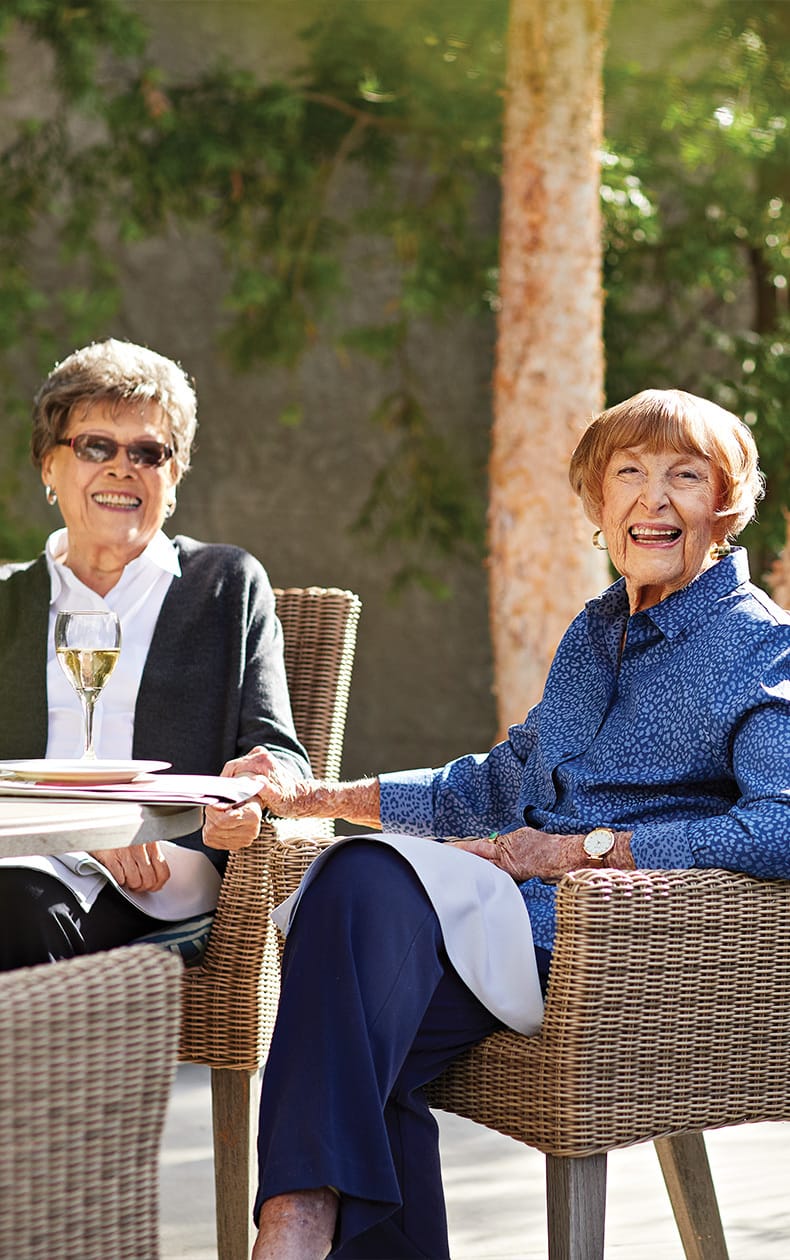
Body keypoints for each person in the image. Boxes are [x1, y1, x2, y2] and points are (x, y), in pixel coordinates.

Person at [204, 387, 790, 1260]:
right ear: (598, 503)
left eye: (684, 476)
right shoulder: (594, 634)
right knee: (362, 1032)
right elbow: (490, 783)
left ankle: (289, 1228)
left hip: (613, 955)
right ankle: (301, 1219)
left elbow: (778, 828)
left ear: (726, 507)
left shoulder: (758, 649)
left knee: (359, 891)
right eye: (627, 473)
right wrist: (312, 798)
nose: (652, 499)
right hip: (498, 927)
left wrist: (577, 851)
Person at [0, 338, 309, 969]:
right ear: (48, 467)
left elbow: (278, 754)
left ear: (172, 481)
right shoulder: (8, 601)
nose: (122, 468)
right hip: (21, 853)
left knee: (16, 912)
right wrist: (78, 838)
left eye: (148, 452)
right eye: (95, 447)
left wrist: (249, 796)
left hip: (159, 877)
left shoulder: (224, 585)